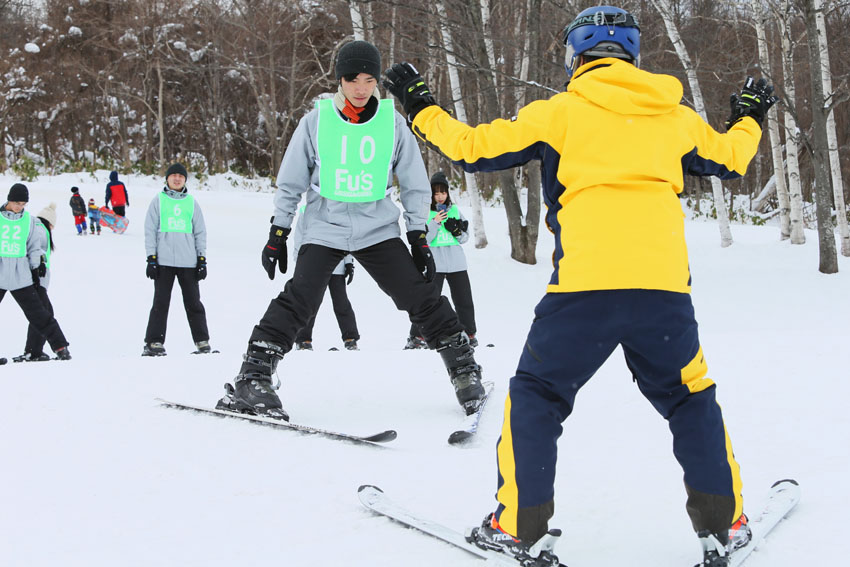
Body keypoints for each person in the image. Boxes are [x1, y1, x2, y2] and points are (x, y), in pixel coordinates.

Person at [384, 6, 777, 567]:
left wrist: (420, 104)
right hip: (661, 292)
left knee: (536, 395)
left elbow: (470, 148)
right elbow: (733, 157)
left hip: (583, 290)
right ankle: (724, 524)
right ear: (634, 56)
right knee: (690, 399)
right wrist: (751, 114)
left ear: (576, 58)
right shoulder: (675, 116)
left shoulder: (559, 113)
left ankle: (517, 527)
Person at [215, 39, 485, 422]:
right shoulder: (316, 121)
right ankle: (254, 375)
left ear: (377, 82)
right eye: (352, 79)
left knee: (418, 296)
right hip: (326, 225)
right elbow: (291, 182)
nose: (361, 88)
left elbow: (414, 183)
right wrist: (278, 233)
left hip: (376, 226)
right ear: (339, 80)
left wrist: (417, 235)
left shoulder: (391, 124)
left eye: (369, 79)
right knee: (301, 298)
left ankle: (464, 370)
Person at [142, 163, 213, 356]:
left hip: (188, 262)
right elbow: (150, 231)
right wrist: (151, 258)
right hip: (163, 262)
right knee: (161, 303)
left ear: (184, 180)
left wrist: (202, 259)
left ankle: (202, 341)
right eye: (173, 175)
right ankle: (154, 342)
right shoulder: (158, 201)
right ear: (167, 179)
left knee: (194, 303)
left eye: (180, 176)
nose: (176, 179)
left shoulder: (191, 203)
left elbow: (200, 232)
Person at [405, 171, 478, 350]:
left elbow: (464, 238)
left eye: (443, 192)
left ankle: (469, 333)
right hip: (435, 263)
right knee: (428, 300)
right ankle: (417, 336)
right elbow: (425, 239)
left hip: (456, 262)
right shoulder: (426, 212)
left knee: (463, 299)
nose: (440, 197)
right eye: (436, 193)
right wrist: (435, 222)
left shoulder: (455, 210)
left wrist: (457, 231)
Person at [1, 184, 72, 361]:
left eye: (23, 204)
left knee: (39, 313)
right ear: (9, 200)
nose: (19, 207)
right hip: (0, 273)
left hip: (21, 276)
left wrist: (37, 267)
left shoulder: (30, 221)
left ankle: (60, 347)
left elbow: (34, 247)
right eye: (17, 203)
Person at [292, 207, 360, 351]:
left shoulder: (340, 207)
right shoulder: (308, 209)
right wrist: (300, 259)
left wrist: (349, 261)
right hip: (314, 265)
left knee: (342, 303)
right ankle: (303, 340)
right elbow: (299, 234)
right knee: (311, 303)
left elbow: (347, 235)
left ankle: (350, 339)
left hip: (337, 266)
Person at [13, 203, 62, 362]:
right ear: (50, 223)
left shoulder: (36, 226)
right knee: (42, 314)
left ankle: (34, 350)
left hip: (36, 279)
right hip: (36, 279)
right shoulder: (41, 229)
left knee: (42, 313)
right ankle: (34, 351)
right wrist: (37, 270)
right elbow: (36, 252)